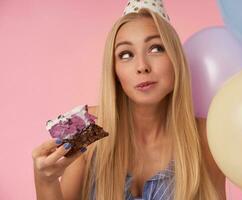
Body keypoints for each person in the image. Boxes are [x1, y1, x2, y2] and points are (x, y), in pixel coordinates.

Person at [32, 1, 226, 199]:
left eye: (156, 48)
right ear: (114, 70)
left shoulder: (207, 138)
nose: (142, 66)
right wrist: (45, 180)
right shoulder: (87, 126)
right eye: (126, 54)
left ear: (176, 58)